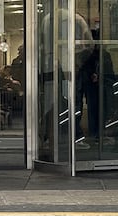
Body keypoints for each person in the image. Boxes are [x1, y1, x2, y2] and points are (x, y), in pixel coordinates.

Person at [40, 1, 94, 149]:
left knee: (51, 103)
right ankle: (74, 136)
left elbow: (42, 46)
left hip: (50, 67)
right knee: (73, 102)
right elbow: (89, 44)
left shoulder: (46, 20)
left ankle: (48, 137)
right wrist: (78, 61)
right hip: (70, 68)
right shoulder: (76, 19)